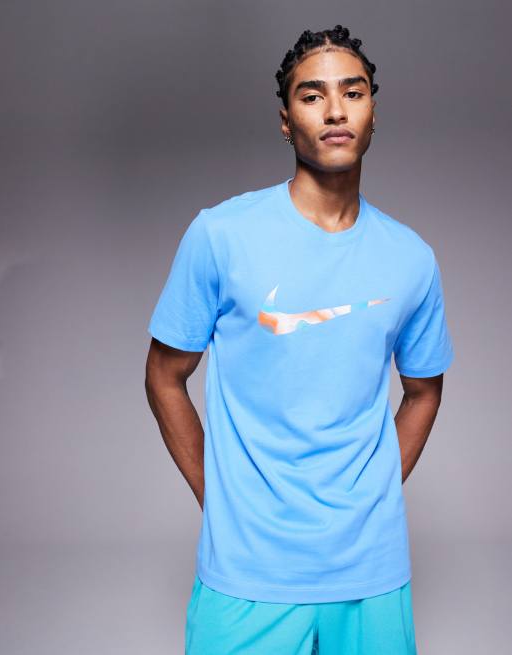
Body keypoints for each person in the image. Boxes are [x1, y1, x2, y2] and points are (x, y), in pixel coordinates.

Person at [145, 23, 454, 655]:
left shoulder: (412, 258)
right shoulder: (220, 235)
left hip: (370, 570)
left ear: (372, 113)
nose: (335, 110)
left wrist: (371, 496)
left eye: (353, 92)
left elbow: (424, 391)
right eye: (312, 95)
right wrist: (219, 497)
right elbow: (163, 375)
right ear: (287, 121)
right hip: (247, 571)